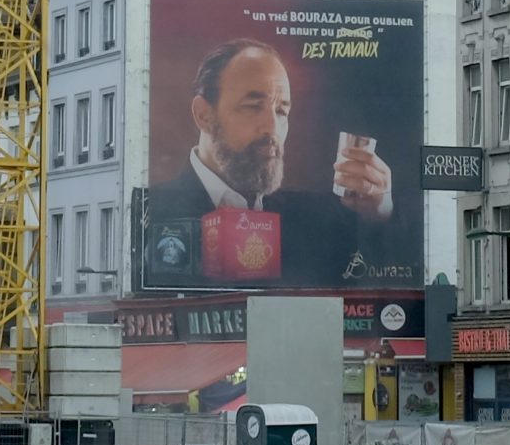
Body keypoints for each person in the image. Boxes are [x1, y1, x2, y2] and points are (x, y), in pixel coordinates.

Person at [144, 41, 400, 283]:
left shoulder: (314, 222)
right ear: (204, 115)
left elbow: (373, 282)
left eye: (281, 111)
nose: (272, 128)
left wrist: (379, 213)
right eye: (253, 106)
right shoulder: (150, 211)